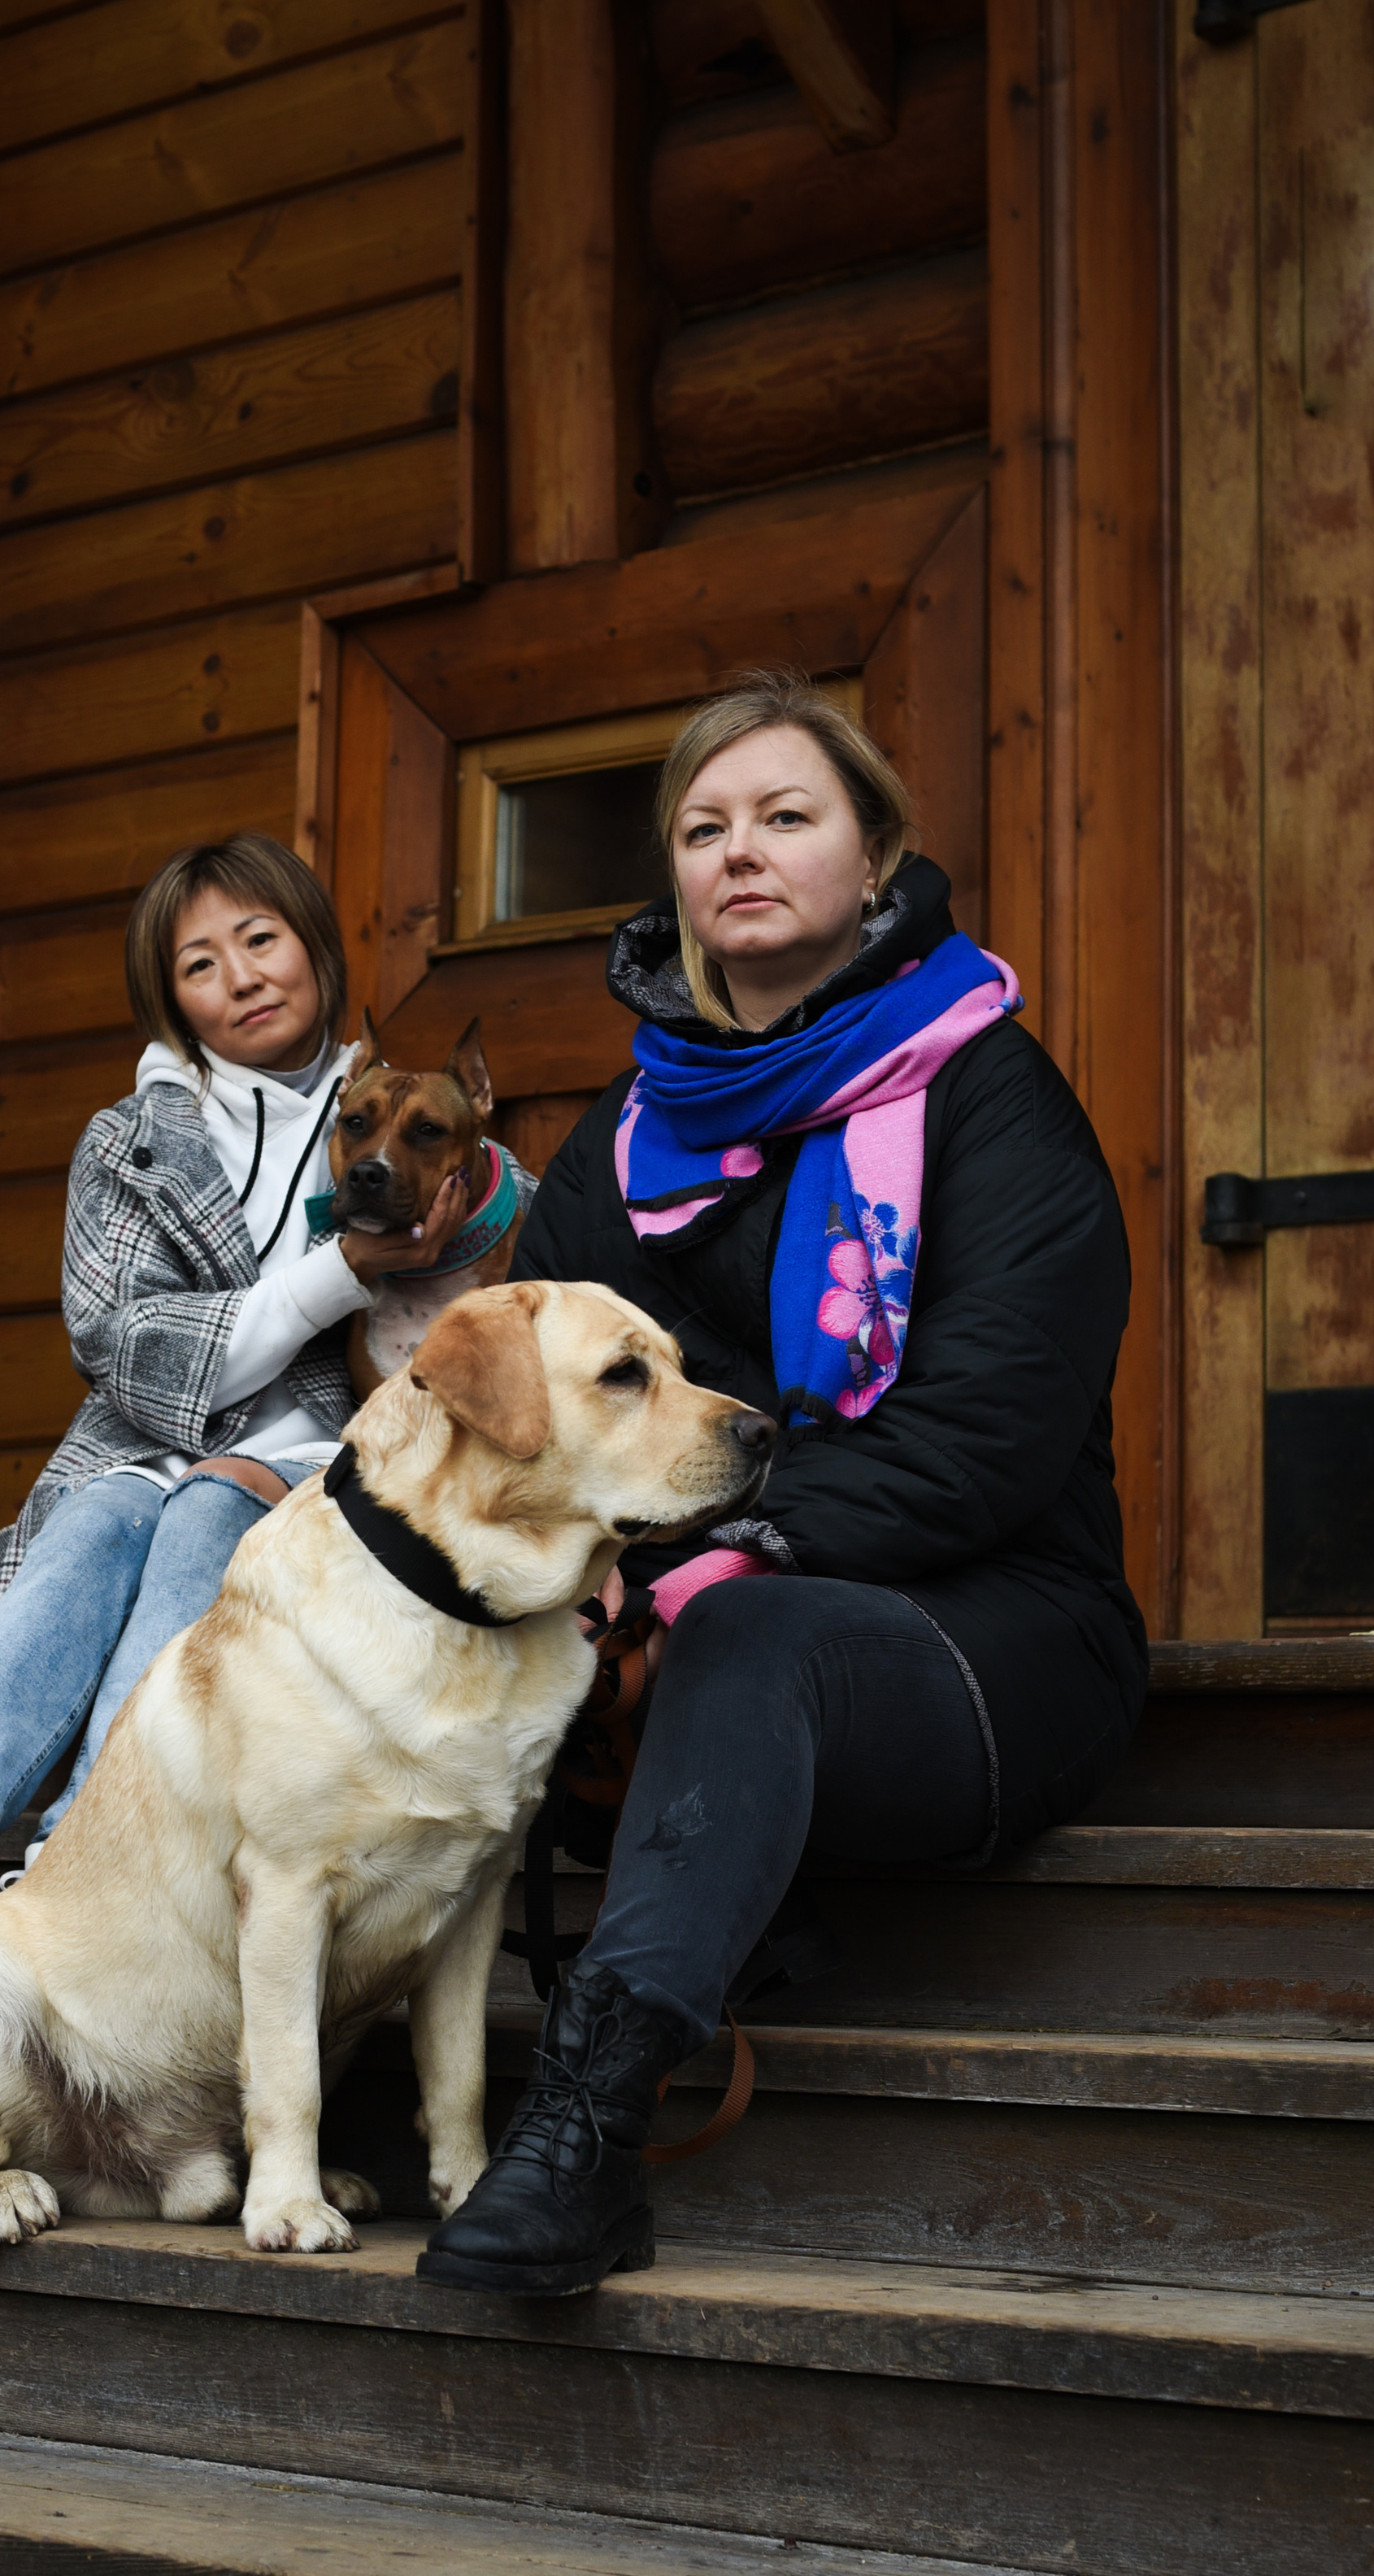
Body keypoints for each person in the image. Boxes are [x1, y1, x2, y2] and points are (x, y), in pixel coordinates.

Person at [419, 672, 1147, 2298]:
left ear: (875, 859)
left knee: (751, 1639)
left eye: (784, 815)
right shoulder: (621, 1148)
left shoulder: (985, 1096)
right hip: (673, 1629)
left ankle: (585, 2130)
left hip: (991, 1630)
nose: (737, 850)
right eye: (701, 827)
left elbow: (982, 1447)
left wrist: (702, 1574)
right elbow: (525, 1432)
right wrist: (607, 1601)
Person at [0, 834, 472, 1996]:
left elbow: (464, 1302)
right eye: (199, 962)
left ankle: (70, 1860)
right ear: (170, 1000)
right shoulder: (126, 1144)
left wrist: (447, 1229)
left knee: (205, 1514)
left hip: (316, 1453)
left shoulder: (401, 1112)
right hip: (146, 1440)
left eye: (263, 938)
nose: (241, 975)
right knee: (95, 1522)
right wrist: (337, 1272)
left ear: (317, 949)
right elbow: (125, 1348)